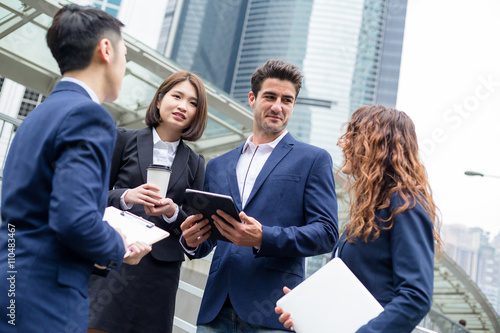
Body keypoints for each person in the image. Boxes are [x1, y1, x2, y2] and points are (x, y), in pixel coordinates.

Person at [0, 4, 151, 332]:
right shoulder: (90, 116)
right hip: (46, 297)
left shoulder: (39, 115)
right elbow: (73, 219)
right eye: (125, 55)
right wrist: (119, 244)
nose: (124, 67)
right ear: (106, 49)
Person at [181, 59, 339, 332]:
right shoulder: (218, 165)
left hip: (273, 312)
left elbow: (326, 233)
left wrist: (264, 237)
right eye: (270, 97)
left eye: (287, 100)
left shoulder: (313, 160)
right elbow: (210, 238)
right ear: (252, 98)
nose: (278, 106)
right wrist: (192, 241)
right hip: (215, 309)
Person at [276, 105, 443, 332]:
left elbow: (416, 298)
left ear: (375, 146)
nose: (344, 144)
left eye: (353, 136)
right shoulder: (372, 209)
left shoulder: (405, 205)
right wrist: (309, 309)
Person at [88, 71, 208, 333]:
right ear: (159, 100)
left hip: (160, 275)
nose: (183, 106)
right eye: (177, 96)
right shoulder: (123, 138)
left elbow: (195, 224)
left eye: (192, 103)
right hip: (116, 257)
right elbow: (92, 195)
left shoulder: (195, 163)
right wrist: (126, 196)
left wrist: (173, 213)